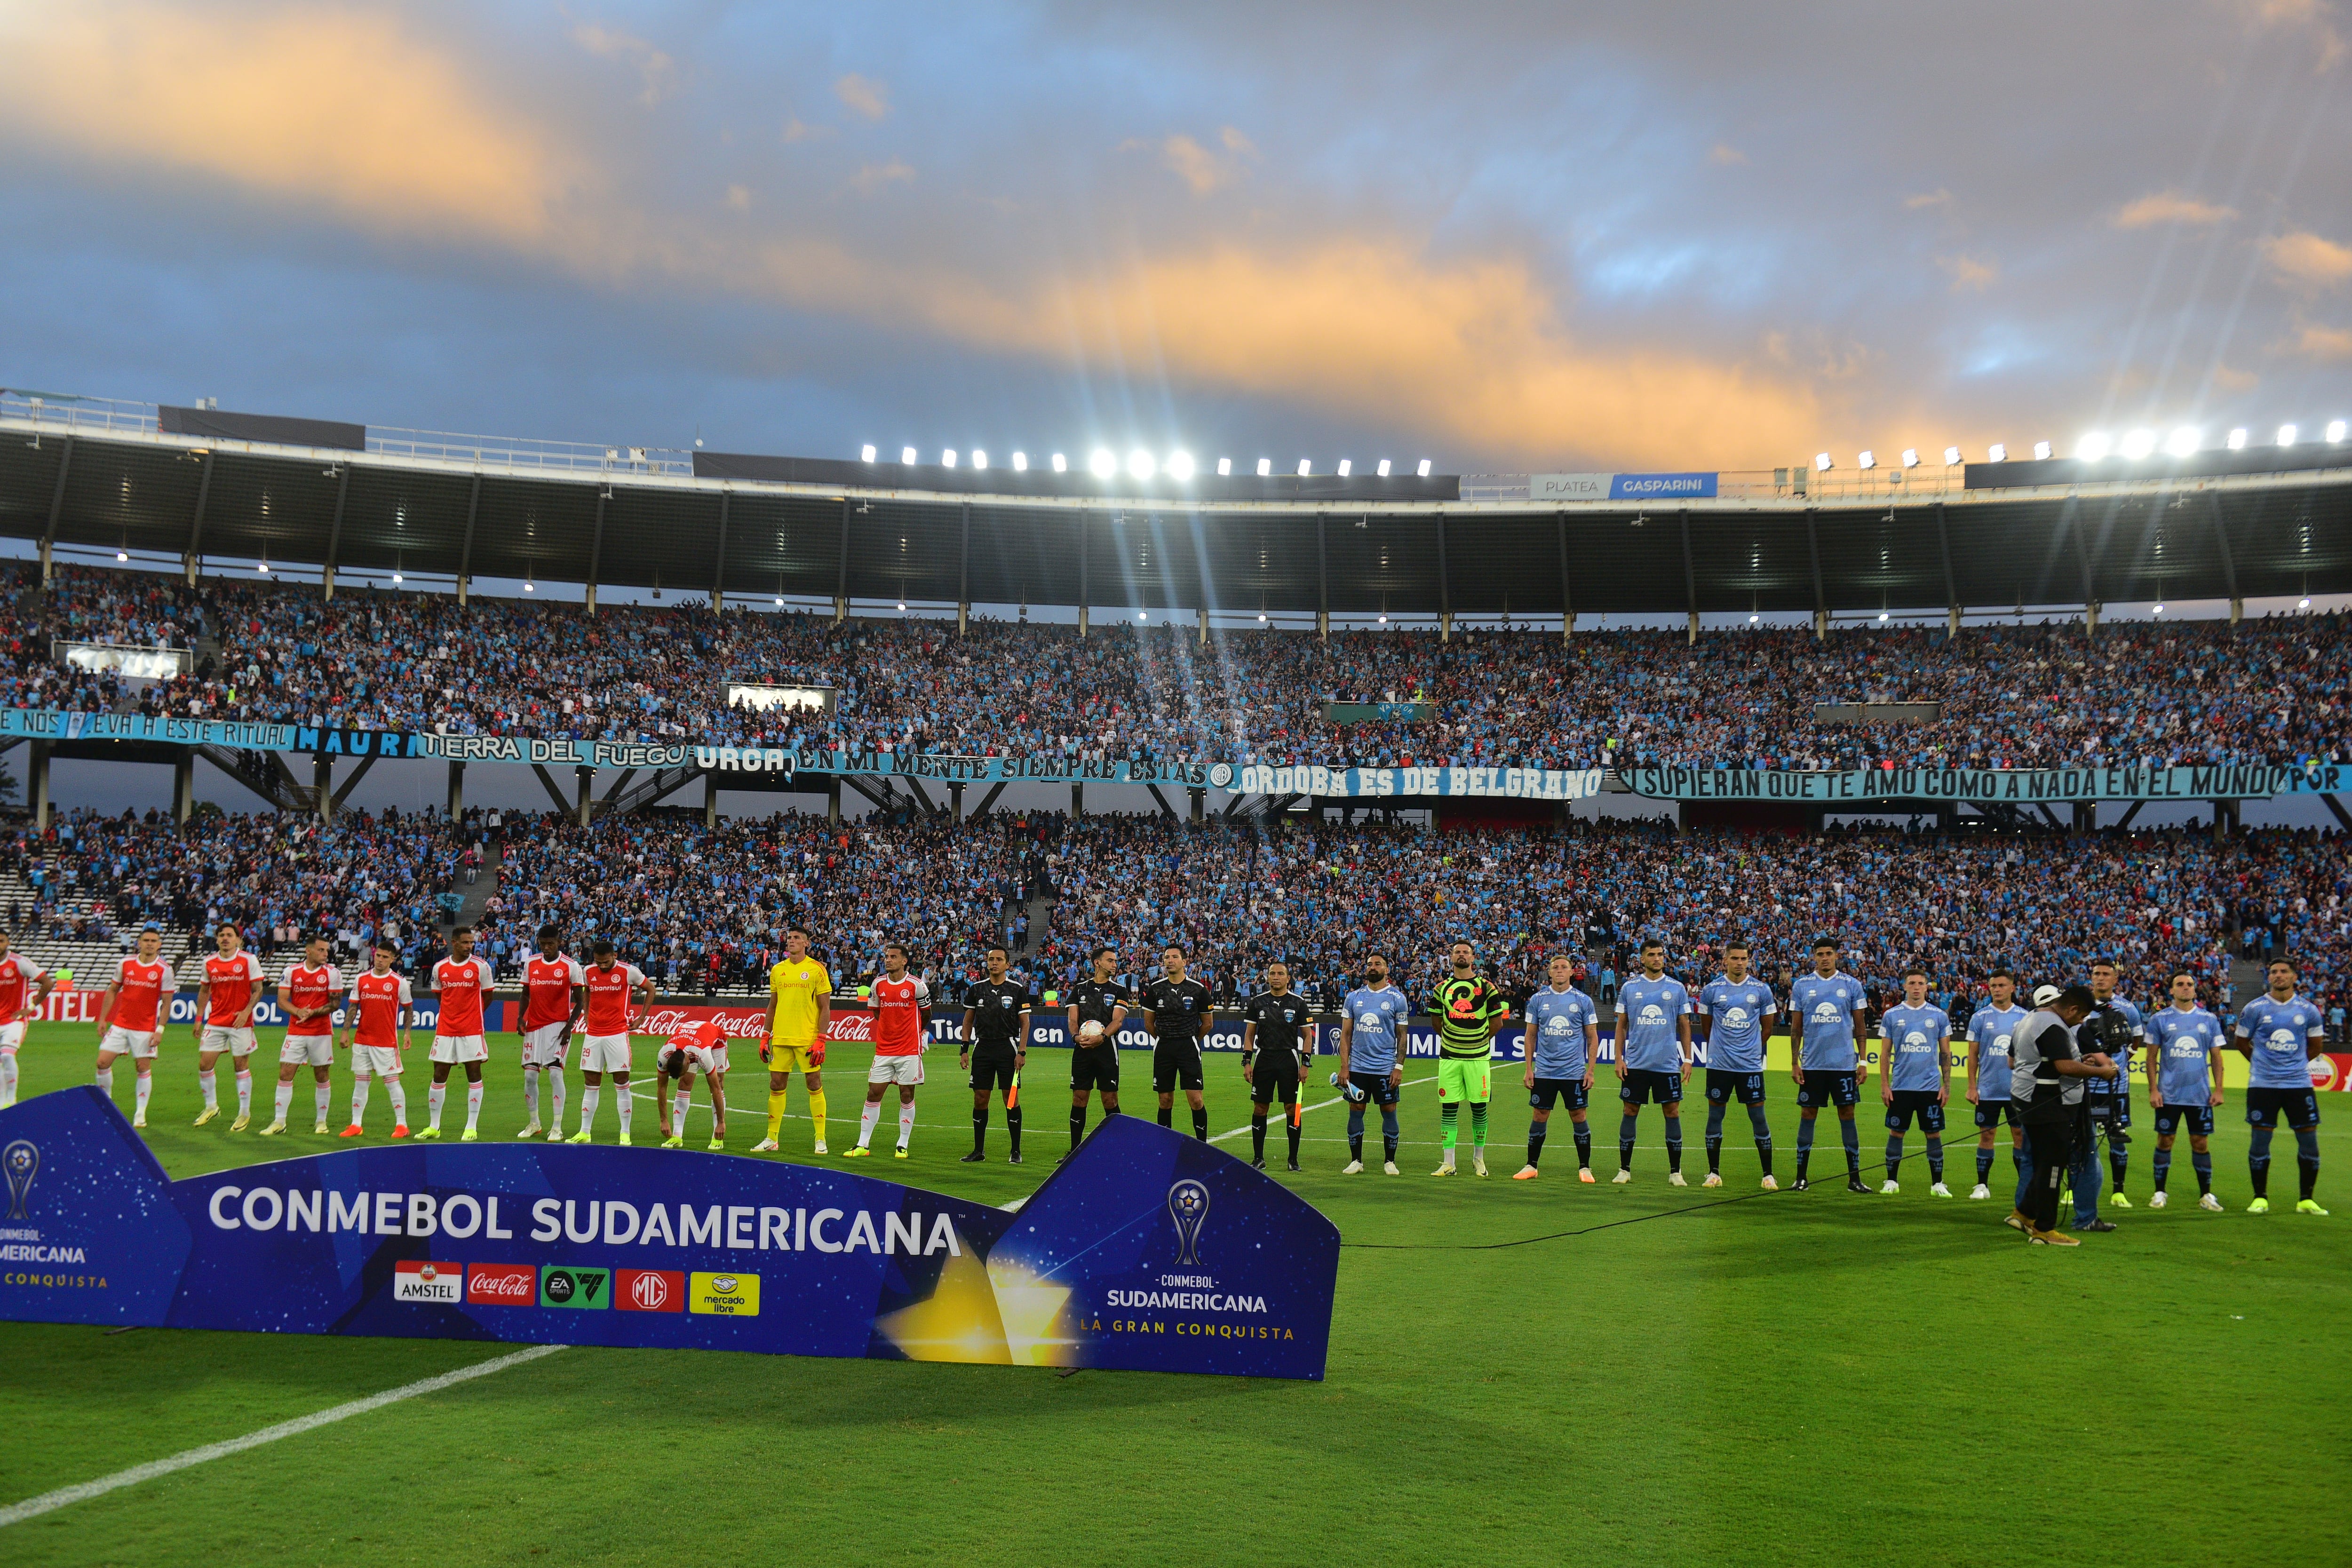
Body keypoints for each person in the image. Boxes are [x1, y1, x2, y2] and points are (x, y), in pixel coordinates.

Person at [2010, 984, 2114, 1245]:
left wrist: (2083, 1063)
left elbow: (2041, 1060)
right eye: (2080, 1017)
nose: (2081, 1022)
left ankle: (2023, 1213)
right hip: (2045, 1102)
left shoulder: (2032, 1017)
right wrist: (2100, 1071)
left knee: (2044, 1162)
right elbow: (2064, 1066)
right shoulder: (2053, 1026)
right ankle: (2044, 1230)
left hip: (2029, 1098)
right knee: (2054, 1167)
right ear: (2073, 1009)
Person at [2232, 959, 2328, 1216]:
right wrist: (2263, 1065)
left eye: (2284, 971)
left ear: (2294, 976)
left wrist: (2293, 1066)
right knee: (2260, 1140)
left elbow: (2316, 1046)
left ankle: (2306, 1199)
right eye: (2274, 972)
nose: (2278, 975)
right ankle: (2260, 1197)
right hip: (2263, 1085)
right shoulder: (2255, 1008)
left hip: (2298, 1084)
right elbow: (2242, 1042)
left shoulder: (2309, 1010)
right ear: (2269, 977)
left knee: (2309, 1140)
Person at [1789, 938, 1871, 1194]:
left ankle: (1854, 1179)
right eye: (1820, 954)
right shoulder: (1802, 986)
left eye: (1829, 953)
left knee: (1848, 1116)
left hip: (1844, 1065)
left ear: (1837, 955)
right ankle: (1801, 1177)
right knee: (1807, 1115)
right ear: (1814, 957)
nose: (1825, 958)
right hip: (1813, 1065)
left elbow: (1860, 1027)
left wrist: (1863, 1060)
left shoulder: (1851, 985)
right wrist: (1795, 1062)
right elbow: (1796, 1028)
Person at [1694, 940, 1777, 1190]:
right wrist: (1722, 1048)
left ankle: (1768, 1175)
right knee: (1715, 1116)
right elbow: (1706, 1027)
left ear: (1748, 961)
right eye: (1735, 959)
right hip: (1719, 1065)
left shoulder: (1761, 990)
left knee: (1758, 1117)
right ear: (1725, 961)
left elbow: (1769, 1028)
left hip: (1750, 1067)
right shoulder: (1712, 990)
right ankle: (1713, 1173)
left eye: (1744, 959)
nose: (1740, 963)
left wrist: (1750, 1049)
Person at [1612, 937, 1692, 1186]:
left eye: (1660, 954)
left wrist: (1688, 1058)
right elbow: (1621, 1026)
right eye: (1652, 955)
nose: (1657, 958)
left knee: (1672, 1111)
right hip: (1636, 1063)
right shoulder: (1630, 987)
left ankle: (1675, 1172)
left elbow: (1685, 1025)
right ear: (1643, 959)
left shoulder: (1677, 988)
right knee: (1629, 1110)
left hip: (1667, 1064)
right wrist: (1618, 1058)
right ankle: (1624, 1170)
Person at [1517, 951, 1600, 1182]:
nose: (1560, 971)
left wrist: (1590, 1070)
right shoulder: (1538, 1000)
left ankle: (1585, 1168)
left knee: (1578, 1115)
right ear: (1550, 972)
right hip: (1544, 1071)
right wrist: (1528, 1068)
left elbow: (1593, 1037)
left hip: (1574, 1072)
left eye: (1564, 967)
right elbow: (1530, 1036)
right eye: (1556, 967)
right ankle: (1531, 1165)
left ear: (1572, 972)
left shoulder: (1583, 1001)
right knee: (1540, 1114)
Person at [2147, 971, 2225, 1210]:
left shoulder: (2209, 1019)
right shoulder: (2159, 1019)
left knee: (2200, 1143)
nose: (2185, 988)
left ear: (2195, 989)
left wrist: (2219, 1089)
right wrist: (2153, 1090)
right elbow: (2151, 1058)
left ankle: (2206, 1195)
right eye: (2180, 984)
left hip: (2200, 1095)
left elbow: (2217, 1057)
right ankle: (2160, 1192)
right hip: (2169, 1094)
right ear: (2171, 990)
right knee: (2165, 1140)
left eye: (2190, 984)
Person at [1430, 940, 1509, 1177]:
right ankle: (1448, 1163)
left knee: (1479, 1108)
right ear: (1451, 958)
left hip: (1478, 1059)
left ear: (1473, 958)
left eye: (1466, 952)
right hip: (1450, 1058)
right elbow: (1436, 1021)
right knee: (1449, 1108)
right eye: (1457, 952)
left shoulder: (1487, 988)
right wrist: (1454, 1039)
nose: (1461, 955)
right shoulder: (1441, 988)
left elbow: (1498, 1022)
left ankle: (1479, 1159)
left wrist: (1477, 1041)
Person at [2076, 959, 2145, 1216]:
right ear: (2091, 978)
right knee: (2080, 1139)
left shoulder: (2128, 1008)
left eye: (2106, 974)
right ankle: (2074, 1189)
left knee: (2118, 1140)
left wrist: (2123, 1057)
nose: (2101, 978)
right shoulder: (2081, 1007)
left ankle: (2118, 1191)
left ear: (2115, 979)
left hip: (2116, 1088)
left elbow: (2137, 1037)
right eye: (2097, 974)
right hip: (2084, 1086)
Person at [1877, 968, 1953, 1196]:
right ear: (1905, 986)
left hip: (1930, 1088)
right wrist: (1884, 1085)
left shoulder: (1939, 1016)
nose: (1917, 987)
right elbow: (1885, 1053)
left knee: (1934, 1134)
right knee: (1896, 1133)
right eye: (1912, 983)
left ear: (1927, 986)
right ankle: (1891, 1181)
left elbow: (1946, 1053)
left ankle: (1938, 1183)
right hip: (1901, 1087)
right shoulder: (1892, 1015)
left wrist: (1946, 1086)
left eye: (1921, 983)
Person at [850, 941, 928, 1158]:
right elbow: (877, 1013)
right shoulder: (877, 985)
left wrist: (918, 1034)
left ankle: (902, 1144)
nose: (888, 960)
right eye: (887, 956)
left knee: (906, 1094)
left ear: (904, 961)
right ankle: (863, 1144)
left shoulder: (916, 985)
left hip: (909, 1051)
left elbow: (926, 1013)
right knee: (874, 1093)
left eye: (893, 957)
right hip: (884, 1050)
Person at [758, 925, 831, 1155]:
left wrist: (821, 1039)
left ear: (806, 943)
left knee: (814, 1084)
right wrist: (765, 1035)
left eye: (797, 938)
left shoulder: (817, 970)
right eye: (789, 938)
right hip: (781, 1036)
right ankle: (772, 1138)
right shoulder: (778, 970)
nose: (791, 941)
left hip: (807, 1037)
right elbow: (773, 1004)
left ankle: (820, 1139)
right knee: (776, 1085)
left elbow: (825, 1007)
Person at [417, 926, 493, 1142]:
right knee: (439, 1075)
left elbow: (488, 997)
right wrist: (452, 1015)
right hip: (446, 1030)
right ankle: (434, 1126)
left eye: (472, 943)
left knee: (474, 1074)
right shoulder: (440, 967)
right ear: (454, 943)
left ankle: (471, 1127)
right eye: (466, 942)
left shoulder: (481, 967)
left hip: (472, 1030)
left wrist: (471, 1015)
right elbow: (440, 996)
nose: (470, 946)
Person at [572, 939, 651, 1144]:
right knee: (590, 1083)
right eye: (599, 962)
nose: (602, 966)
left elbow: (651, 989)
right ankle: (585, 1132)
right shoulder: (588, 972)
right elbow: (586, 991)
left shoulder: (628, 972)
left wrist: (641, 1018)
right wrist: (587, 1014)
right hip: (593, 1035)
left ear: (614, 956)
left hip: (617, 1034)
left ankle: (625, 1132)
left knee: (622, 1083)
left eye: (606, 962)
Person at [1335, 951, 1408, 1175]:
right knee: (1356, 1110)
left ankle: (1390, 1162)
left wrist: (1399, 1066)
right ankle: (1356, 1161)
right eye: (1369, 964)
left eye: (1378, 964)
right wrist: (1344, 1066)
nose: (1373, 967)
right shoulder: (1353, 997)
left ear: (1387, 969)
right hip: (1357, 1067)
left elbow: (1402, 1036)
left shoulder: (1397, 998)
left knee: (1389, 1110)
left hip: (1385, 1067)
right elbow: (1345, 1035)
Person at [261, 933, 341, 1136]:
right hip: (296, 1031)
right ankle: (279, 1121)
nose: (326, 954)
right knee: (285, 1074)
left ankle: (321, 1122)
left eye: (327, 950)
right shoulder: (291, 972)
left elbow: (335, 1004)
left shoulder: (333, 974)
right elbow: (282, 1000)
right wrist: (298, 1012)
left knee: (322, 1075)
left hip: (321, 1032)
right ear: (309, 950)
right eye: (321, 950)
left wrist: (313, 1012)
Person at [958, 945, 1031, 1164]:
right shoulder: (977, 989)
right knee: (980, 1099)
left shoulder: (1017, 990)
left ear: (1008, 964)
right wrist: (964, 1049)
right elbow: (968, 1020)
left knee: (1011, 1100)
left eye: (999, 960)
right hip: (982, 1049)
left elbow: (1025, 1024)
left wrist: (1022, 1052)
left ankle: (1016, 1151)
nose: (994, 963)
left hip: (1007, 1049)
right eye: (991, 959)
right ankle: (979, 1151)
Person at [93, 926, 171, 1127]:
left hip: (145, 1028)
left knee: (142, 1067)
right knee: (102, 1063)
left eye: (154, 941)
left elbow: (167, 1002)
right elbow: (112, 991)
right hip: (120, 1024)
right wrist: (103, 1019)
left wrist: (160, 1030)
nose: (150, 944)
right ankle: (107, 1105)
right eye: (146, 940)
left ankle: (140, 1113)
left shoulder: (164, 970)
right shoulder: (125, 963)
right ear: (139, 943)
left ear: (159, 945)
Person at [191, 922, 265, 1130]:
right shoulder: (209, 962)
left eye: (230, 935)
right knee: (205, 1065)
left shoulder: (248, 960)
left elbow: (258, 990)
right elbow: (205, 991)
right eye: (222, 935)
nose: (225, 938)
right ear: (217, 939)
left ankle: (244, 1113)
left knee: (240, 1066)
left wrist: (246, 1012)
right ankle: (211, 1107)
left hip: (241, 1022)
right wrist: (199, 1019)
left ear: (238, 940)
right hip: (215, 1020)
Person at [1240, 960, 1311, 1171]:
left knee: (1293, 1108)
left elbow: (1308, 1037)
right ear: (1268, 977)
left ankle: (1293, 1160)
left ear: (1288, 978)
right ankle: (1258, 1158)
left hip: (1289, 1060)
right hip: (1264, 1060)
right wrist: (1247, 1062)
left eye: (1281, 974)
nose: (1276, 977)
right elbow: (1249, 1035)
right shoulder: (1258, 1002)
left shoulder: (1298, 1003)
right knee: (1260, 1107)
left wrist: (1305, 1064)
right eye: (1272, 974)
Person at [516, 924, 583, 1141]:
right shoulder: (532, 963)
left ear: (559, 942)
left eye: (551, 944)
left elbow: (580, 1001)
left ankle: (557, 1127)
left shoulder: (570, 966)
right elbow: (526, 993)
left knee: (555, 1073)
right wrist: (520, 1018)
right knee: (529, 1077)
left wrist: (569, 1026)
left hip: (558, 1027)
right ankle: (534, 1123)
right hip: (534, 1027)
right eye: (543, 943)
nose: (547, 947)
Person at [1964, 970, 2027, 1200]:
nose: (1997, 990)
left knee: (2020, 1135)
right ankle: (1982, 1185)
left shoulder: (2025, 1017)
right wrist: (1972, 1086)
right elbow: (1973, 1055)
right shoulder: (1980, 1017)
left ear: (2012, 988)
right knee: (1987, 1136)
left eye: (2002, 985)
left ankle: (2024, 1186)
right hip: (1988, 1089)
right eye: (1993, 986)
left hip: (2018, 1090)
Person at [1141, 945, 1215, 1142]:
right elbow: (1149, 1023)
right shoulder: (1156, 989)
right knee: (1165, 1100)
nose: (1170, 961)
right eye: (1167, 958)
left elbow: (1208, 1024)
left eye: (1175, 957)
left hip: (1188, 1047)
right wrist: (1164, 1037)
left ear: (1184, 962)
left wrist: (1190, 1039)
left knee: (1196, 1100)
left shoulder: (1198, 989)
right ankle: (1164, 1145)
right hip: (1164, 1047)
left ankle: (1202, 1145)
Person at [338, 942, 412, 1137]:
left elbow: (408, 1009)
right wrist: (345, 1032)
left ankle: (402, 1125)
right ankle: (356, 1125)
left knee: (391, 1082)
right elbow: (353, 1007)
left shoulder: (399, 982)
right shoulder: (361, 979)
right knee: (361, 1082)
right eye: (378, 956)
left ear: (393, 959)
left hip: (386, 1041)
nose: (380, 960)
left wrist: (406, 1033)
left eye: (385, 957)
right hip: (362, 1039)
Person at [1063, 945, 1128, 1160]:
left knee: (1109, 1099)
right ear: (1097, 963)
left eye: (1116, 961)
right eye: (1111, 960)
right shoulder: (1080, 989)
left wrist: (1102, 1037)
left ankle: (1117, 1148)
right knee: (1079, 1098)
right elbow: (1073, 1020)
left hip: (1106, 1050)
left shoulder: (1119, 990)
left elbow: (1117, 1020)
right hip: (1082, 1050)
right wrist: (1076, 1037)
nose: (1115, 964)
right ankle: (1074, 1150)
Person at [656, 1017, 730, 1150]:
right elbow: (662, 1088)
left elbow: (716, 1090)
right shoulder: (664, 1054)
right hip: (690, 1038)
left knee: (718, 1083)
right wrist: (663, 1120)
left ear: (690, 1063)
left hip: (717, 1041)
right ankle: (677, 1136)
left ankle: (717, 1136)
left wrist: (722, 1122)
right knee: (684, 1084)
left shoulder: (703, 1055)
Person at [0, 928, 51, 1111]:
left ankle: (11, 1099)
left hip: (14, 1021)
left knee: (6, 1055)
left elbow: (48, 982)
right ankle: (2, 1103)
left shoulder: (19, 963)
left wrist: (30, 1007)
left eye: (2, 941)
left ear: (8, 943)